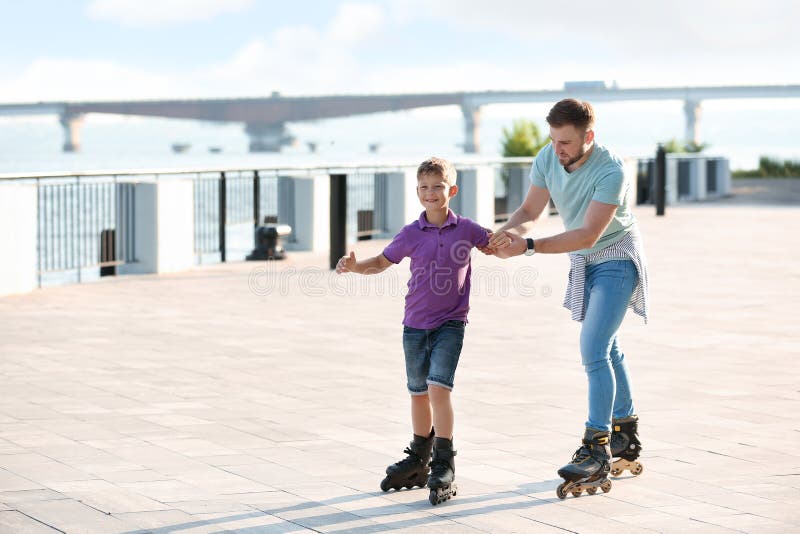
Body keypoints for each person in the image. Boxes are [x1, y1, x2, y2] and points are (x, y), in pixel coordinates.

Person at [486, 98, 648, 498]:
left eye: (566, 143)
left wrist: (527, 247)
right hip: (584, 260)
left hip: (615, 257)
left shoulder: (611, 171)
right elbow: (530, 208)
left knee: (593, 348)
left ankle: (596, 449)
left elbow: (588, 234)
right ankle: (624, 433)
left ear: (588, 137)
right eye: (554, 140)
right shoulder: (547, 157)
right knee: (607, 348)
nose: (557, 150)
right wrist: (505, 233)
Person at [336, 156, 490, 505]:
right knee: (418, 392)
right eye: (424, 187)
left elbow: (496, 244)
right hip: (414, 324)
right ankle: (420, 457)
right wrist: (355, 266)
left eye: (437, 187)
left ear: (452, 190)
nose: (431, 193)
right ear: (417, 191)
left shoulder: (467, 229)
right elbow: (380, 263)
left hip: (451, 322)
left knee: (438, 389)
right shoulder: (411, 233)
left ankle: (444, 461)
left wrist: (519, 239)